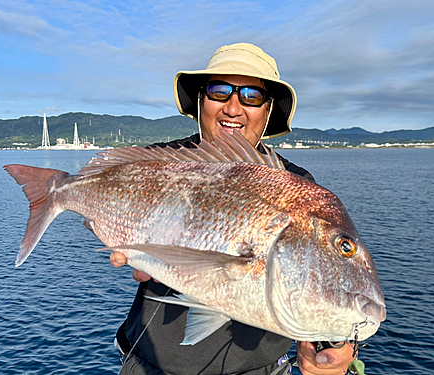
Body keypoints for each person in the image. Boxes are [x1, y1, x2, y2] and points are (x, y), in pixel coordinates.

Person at [110, 43, 355, 375]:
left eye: (251, 96)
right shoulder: (157, 164)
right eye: (219, 91)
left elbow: (329, 281)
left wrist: (334, 345)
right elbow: (109, 202)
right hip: (146, 363)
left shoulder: (296, 187)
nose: (233, 108)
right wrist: (119, 237)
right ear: (200, 100)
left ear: (268, 111)